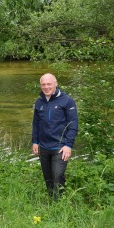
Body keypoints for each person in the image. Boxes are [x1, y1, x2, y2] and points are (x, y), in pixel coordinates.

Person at [32, 73, 78, 201]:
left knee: (58, 176)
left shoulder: (67, 101)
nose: (46, 87)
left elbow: (73, 124)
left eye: (49, 84)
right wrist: (35, 141)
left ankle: (59, 205)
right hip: (44, 147)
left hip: (60, 147)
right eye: (43, 84)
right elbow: (36, 124)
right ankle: (51, 203)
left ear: (56, 83)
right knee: (48, 178)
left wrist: (68, 145)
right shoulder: (39, 102)